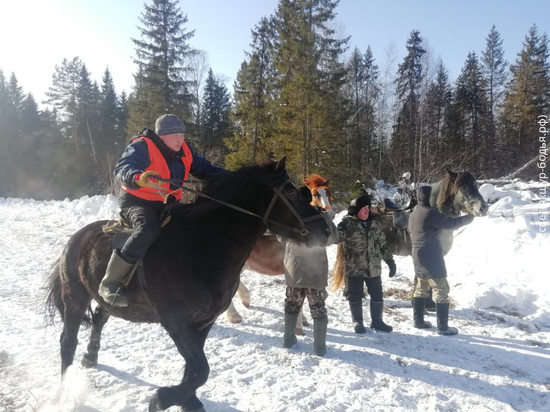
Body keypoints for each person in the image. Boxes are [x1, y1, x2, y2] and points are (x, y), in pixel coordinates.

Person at [98, 114, 226, 307]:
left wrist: (239, 178)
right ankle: (110, 283)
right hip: (137, 201)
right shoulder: (143, 146)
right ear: (162, 135)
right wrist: (138, 177)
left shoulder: (184, 151)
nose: (180, 139)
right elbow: (123, 169)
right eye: (175, 134)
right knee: (148, 229)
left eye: (182, 134)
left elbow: (207, 170)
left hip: (167, 202)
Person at [408, 185, 474, 335]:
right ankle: (442, 327)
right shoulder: (430, 212)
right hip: (432, 255)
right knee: (441, 289)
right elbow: (451, 224)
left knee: (420, 287)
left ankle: (418, 321)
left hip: (417, 254)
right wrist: (469, 217)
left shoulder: (413, 213)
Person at [335, 194, 396, 333]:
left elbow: (383, 244)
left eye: (368, 208)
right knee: (355, 296)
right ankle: (358, 322)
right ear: (355, 210)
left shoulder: (375, 224)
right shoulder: (346, 224)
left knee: (377, 295)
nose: (366, 211)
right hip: (354, 269)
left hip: (373, 269)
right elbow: (336, 238)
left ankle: (377, 321)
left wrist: (390, 260)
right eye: (363, 208)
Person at [280, 208, 337, 357]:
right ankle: (319, 348)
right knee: (318, 308)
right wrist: (328, 220)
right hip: (315, 272)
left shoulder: (293, 216)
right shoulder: (321, 218)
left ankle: (289, 340)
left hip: (295, 270)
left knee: (292, 305)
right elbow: (334, 238)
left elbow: (280, 237)